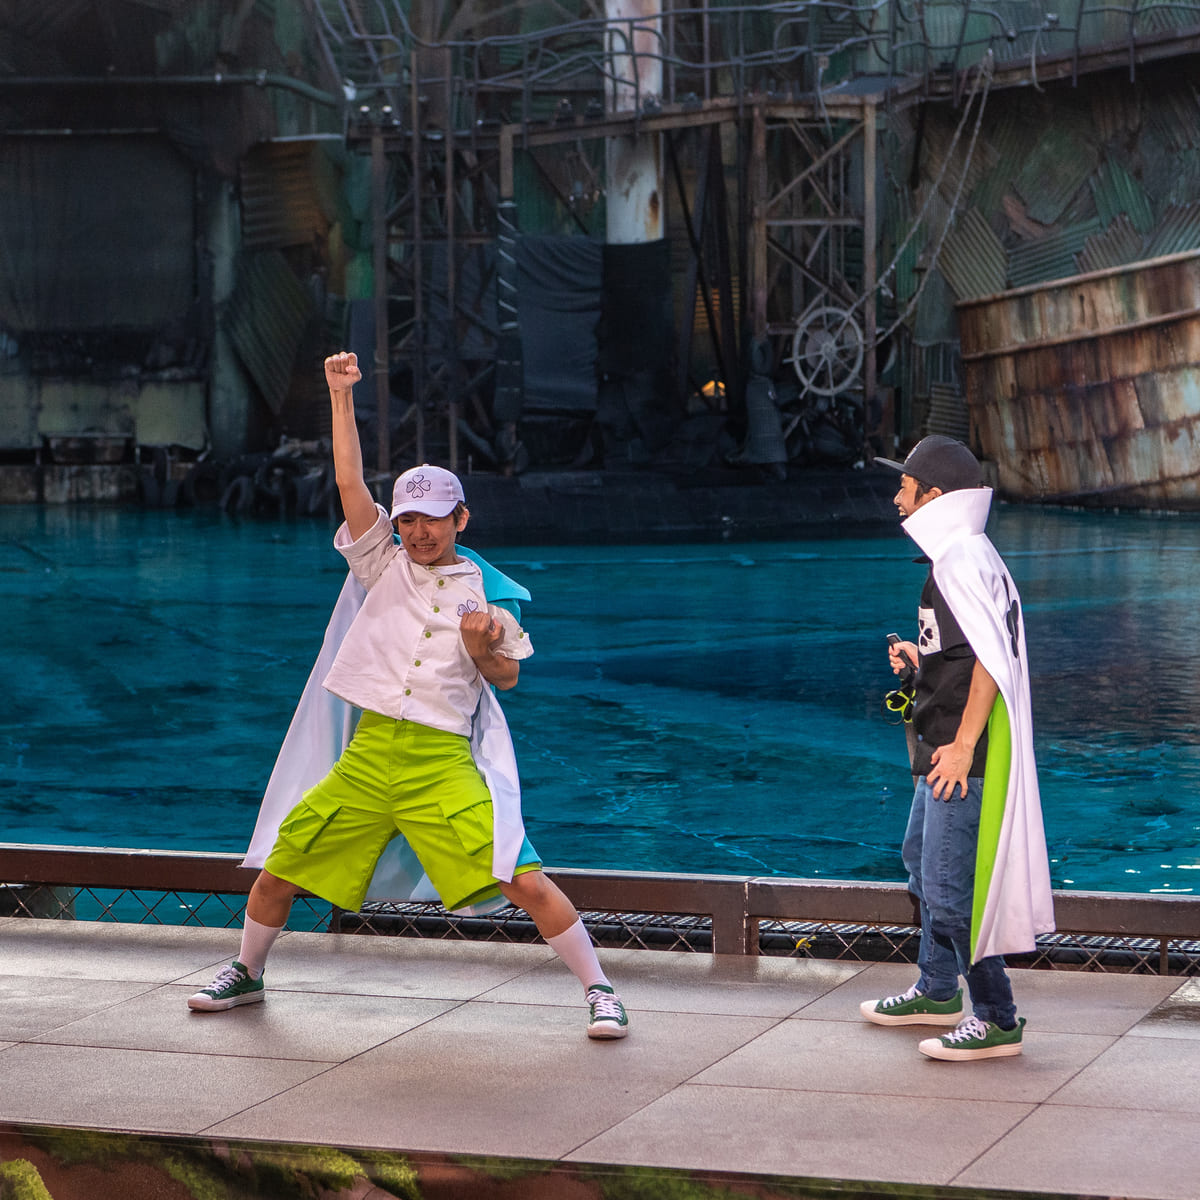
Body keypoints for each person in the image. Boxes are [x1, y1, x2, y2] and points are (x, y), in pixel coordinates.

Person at [188, 351, 629, 1040]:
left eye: (433, 518)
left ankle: (600, 989)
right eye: (408, 518)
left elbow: (507, 678)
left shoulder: (491, 594)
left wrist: (480, 646)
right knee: (279, 867)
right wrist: (340, 395)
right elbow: (347, 480)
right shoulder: (380, 564)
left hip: (438, 760)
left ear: (462, 518)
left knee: (520, 874)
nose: (419, 532)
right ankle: (247, 971)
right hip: (368, 756)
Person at [861, 435, 1054, 1061]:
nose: (897, 499)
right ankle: (937, 989)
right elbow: (968, 654)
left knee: (948, 893)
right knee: (921, 864)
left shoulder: (959, 563)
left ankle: (996, 1017)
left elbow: (992, 663)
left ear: (934, 495)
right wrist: (921, 662)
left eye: (905, 488)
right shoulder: (966, 555)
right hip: (943, 747)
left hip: (958, 757)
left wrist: (965, 746)